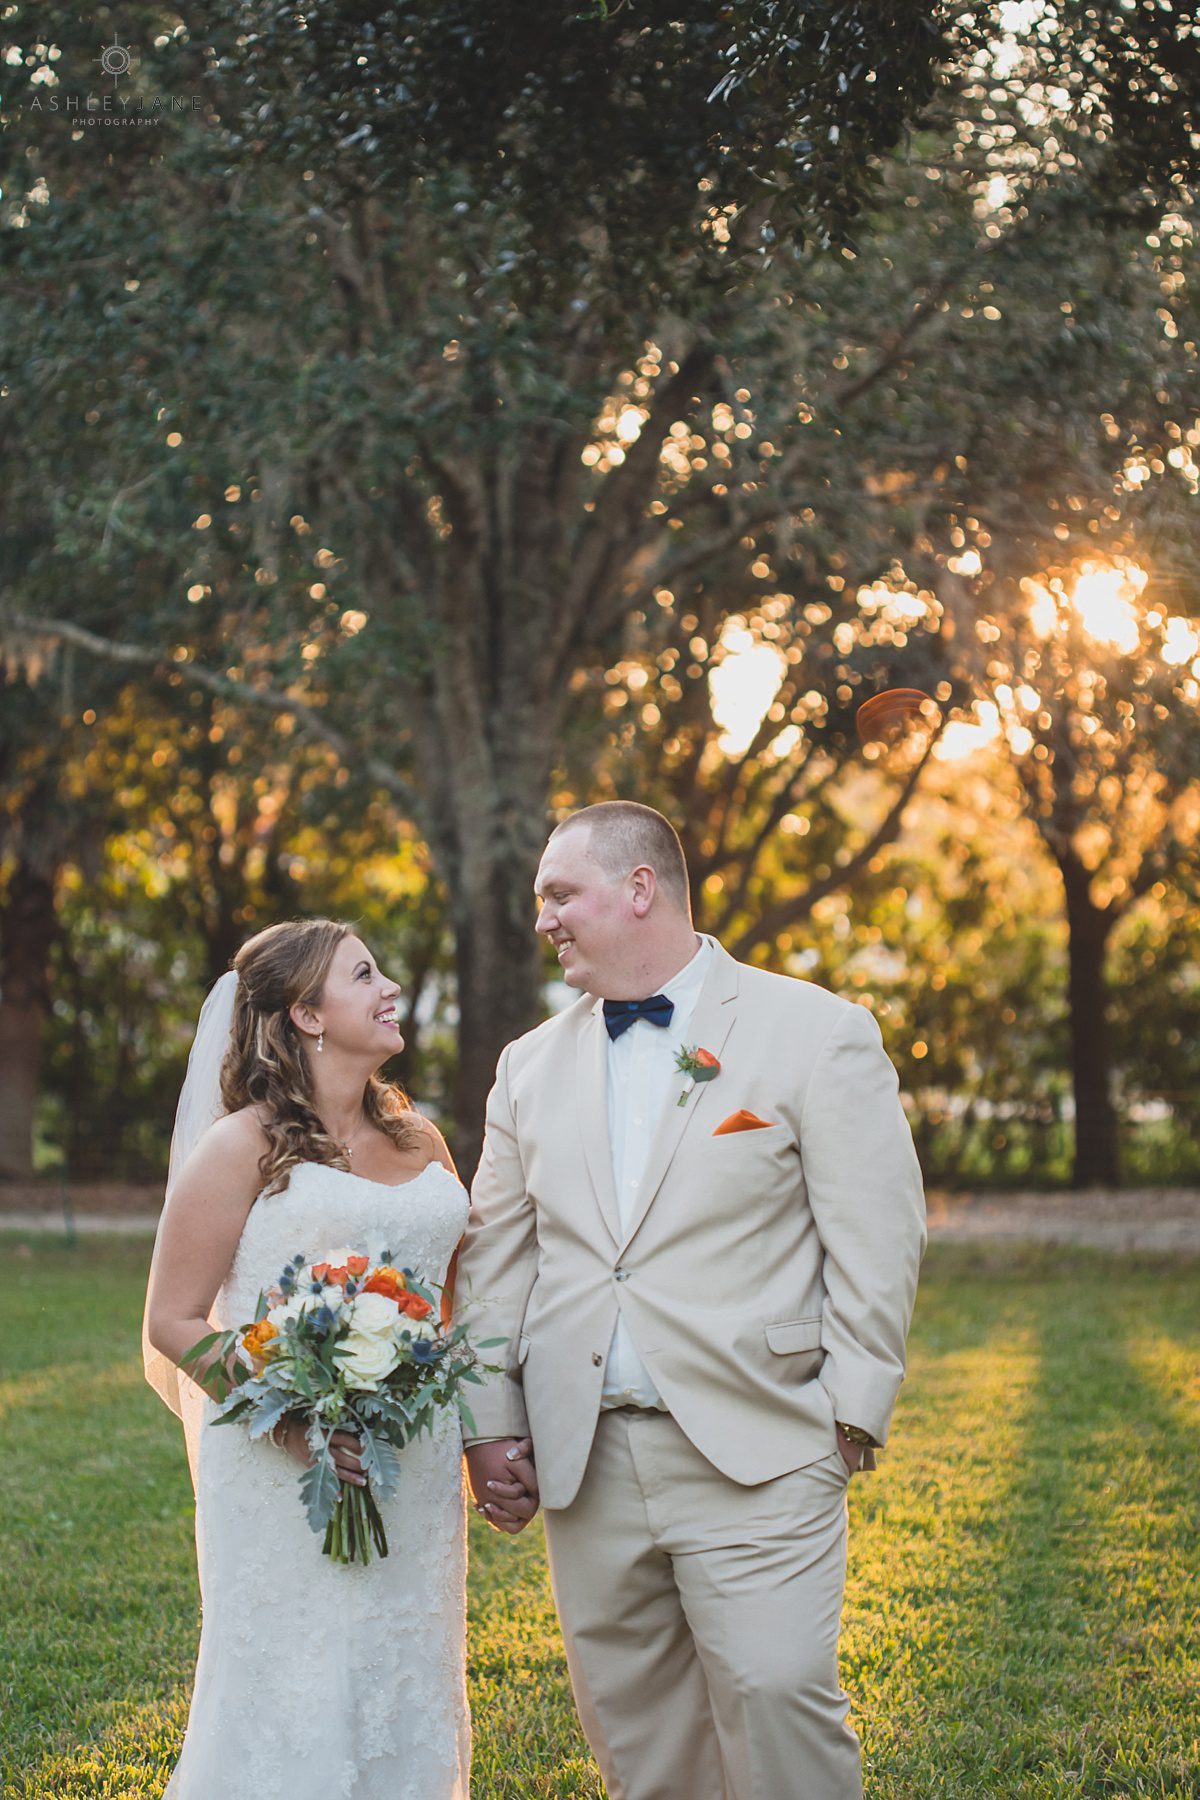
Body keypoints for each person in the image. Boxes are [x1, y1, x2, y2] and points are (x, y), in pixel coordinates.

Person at [456, 801, 926, 1800]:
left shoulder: (817, 1033)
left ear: (639, 890)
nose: (544, 919)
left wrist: (852, 1413)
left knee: (778, 1696)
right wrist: (488, 1423)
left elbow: (878, 1239)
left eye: (559, 894)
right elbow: (498, 1256)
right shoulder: (526, 1067)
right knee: (638, 1734)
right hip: (586, 1458)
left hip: (762, 1439)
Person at [143, 917, 536, 1800]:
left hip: (414, 1466)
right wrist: (291, 1414)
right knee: (294, 1695)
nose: (389, 986)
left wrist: (484, 1439)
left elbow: (452, 1313)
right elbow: (172, 1318)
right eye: (364, 975)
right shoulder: (239, 1148)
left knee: (406, 1679)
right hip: (284, 1471)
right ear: (307, 1015)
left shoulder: (422, 1143)